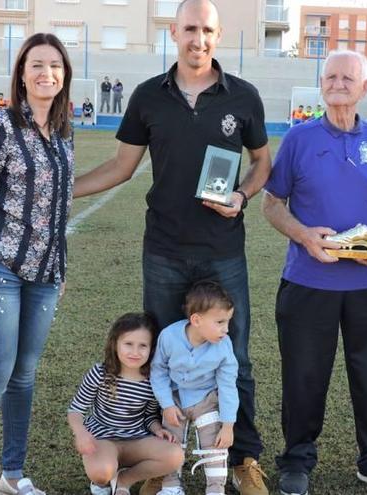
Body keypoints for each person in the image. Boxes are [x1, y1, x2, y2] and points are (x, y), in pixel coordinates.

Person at [71, 2, 272, 494]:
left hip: (222, 251)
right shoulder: (147, 97)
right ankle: (166, 466)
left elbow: (263, 163)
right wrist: (63, 191)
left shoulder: (243, 97)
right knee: (160, 359)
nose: (197, 39)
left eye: (206, 30)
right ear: (173, 33)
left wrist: (242, 195)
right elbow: (120, 167)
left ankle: (242, 457)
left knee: (235, 357)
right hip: (162, 250)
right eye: (189, 29)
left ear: (218, 35)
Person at [262, 49, 367, 495]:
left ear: (365, 88)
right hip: (309, 283)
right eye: (331, 77)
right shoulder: (300, 138)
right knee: (304, 377)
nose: (338, 84)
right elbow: (272, 204)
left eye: (348, 78)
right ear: (321, 84)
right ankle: (297, 461)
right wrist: (305, 236)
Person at [0, 32, 76, 495]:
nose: (47, 73)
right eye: (37, 65)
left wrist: (60, 268)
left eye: (55, 66)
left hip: (46, 275)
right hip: (0, 268)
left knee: (24, 376)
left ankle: (12, 475)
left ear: (64, 76)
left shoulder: (65, 131)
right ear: (22, 75)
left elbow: (60, 205)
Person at [68, 312, 185, 495]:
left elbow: (148, 416)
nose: (135, 352)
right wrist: (81, 433)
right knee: (101, 473)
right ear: (115, 344)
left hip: (136, 440)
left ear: (151, 349)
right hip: (103, 439)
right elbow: (76, 410)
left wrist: (157, 429)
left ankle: (125, 479)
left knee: (175, 455)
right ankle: (106, 477)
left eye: (142, 346)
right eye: (128, 344)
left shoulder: (152, 381)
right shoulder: (100, 373)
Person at [150, 281, 240, 495]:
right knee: (170, 441)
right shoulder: (169, 336)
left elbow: (228, 386)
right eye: (220, 322)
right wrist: (167, 405)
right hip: (175, 399)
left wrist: (228, 425)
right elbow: (158, 371)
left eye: (228, 322)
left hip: (206, 400)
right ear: (196, 320)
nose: (226, 330)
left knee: (215, 445)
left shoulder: (224, 347)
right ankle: (171, 486)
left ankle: (215, 490)